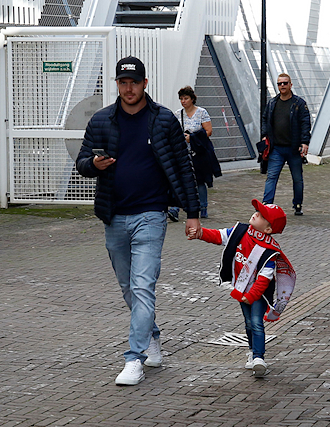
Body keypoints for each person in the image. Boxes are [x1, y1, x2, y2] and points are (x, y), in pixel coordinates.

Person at [76, 56, 201, 386]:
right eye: (123, 82)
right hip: (114, 215)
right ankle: (151, 335)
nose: (128, 88)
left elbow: (184, 168)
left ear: (145, 83)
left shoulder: (164, 120)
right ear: (117, 84)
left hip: (151, 215)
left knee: (143, 286)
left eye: (134, 82)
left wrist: (193, 214)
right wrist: (94, 165)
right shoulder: (102, 120)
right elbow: (82, 161)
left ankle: (134, 359)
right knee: (128, 287)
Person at [187, 199, 296, 377]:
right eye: (257, 211)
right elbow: (219, 236)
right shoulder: (240, 231)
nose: (256, 214)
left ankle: (259, 358)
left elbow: (265, 277)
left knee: (256, 322)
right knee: (248, 322)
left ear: (268, 229)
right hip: (241, 288)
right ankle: (252, 352)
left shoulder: (269, 250)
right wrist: (200, 233)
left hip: (259, 294)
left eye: (262, 216)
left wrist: (252, 295)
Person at [261, 73, 311, 215]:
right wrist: (264, 135)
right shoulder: (272, 103)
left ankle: (298, 205)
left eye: (285, 83)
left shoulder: (299, 104)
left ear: (290, 85)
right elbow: (265, 119)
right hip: (276, 148)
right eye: (279, 83)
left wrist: (304, 142)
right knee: (271, 177)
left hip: (294, 148)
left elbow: (305, 123)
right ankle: (266, 205)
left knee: (297, 179)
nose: (282, 85)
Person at [172, 86, 220, 219]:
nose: (183, 101)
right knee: (180, 179)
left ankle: (203, 207)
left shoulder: (201, 112)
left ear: (192, 99)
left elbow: (208, 131)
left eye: (186, 98)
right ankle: (175, 208)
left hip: (198, 152)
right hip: (183, 151)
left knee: (199, 181)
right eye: (181, 99)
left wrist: (192, 138)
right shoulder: (178, 114)